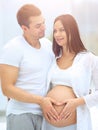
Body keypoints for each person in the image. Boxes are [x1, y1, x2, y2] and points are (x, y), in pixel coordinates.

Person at [0, 4, 58, 130]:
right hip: (20, 114)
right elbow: (7, 89)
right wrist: (41, 101)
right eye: (38, 26)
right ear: (24, 28)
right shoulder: (13, 48)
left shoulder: (48, 46)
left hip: (45, 114)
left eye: (43, 22)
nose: (44, 27)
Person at [42, 14, 98, 130]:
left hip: (74, 125)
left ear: (72, 31)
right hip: (49, 125)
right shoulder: (53, 59)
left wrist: (77, 102)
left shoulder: (88, 58)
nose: (57, 34)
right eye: (55, 31)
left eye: (62, 30)